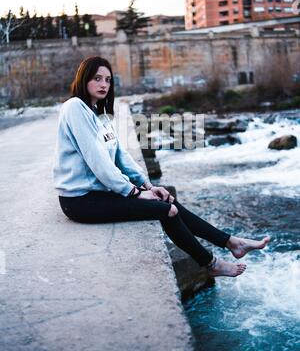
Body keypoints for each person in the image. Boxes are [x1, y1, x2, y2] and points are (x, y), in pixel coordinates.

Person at [52, 56, 270, 278]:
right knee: (167, 210)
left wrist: (147, 185)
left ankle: (231, 242)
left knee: (165, 198)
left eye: (108, 80)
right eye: (97, 78)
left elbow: (121, 156)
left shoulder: (100, 115)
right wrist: (135, 192)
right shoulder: (74, 108)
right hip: (80, 201)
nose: (103, 85)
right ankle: (211, 264)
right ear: (84, 79)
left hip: (100, 194)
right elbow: (97, 161)